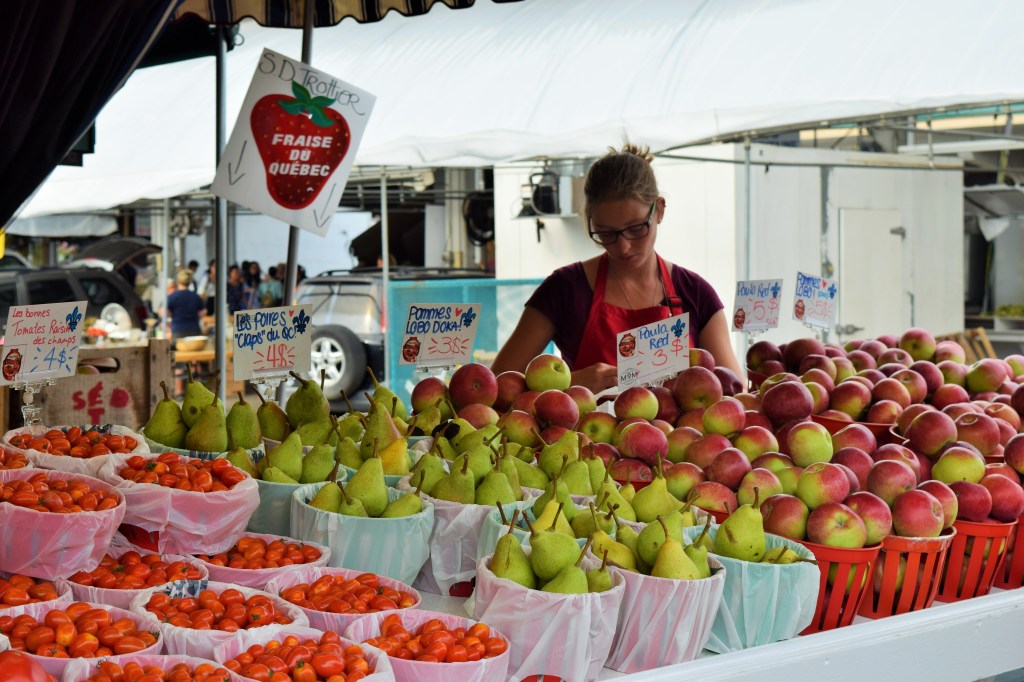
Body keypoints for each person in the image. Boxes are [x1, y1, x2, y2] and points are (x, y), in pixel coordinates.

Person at [491, 143, 741, 393]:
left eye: (636, 228)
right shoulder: (564, 290)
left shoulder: (696, 294)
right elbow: (497, 387)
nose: (624, 247)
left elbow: (735, 393)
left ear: (659, 210)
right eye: (606, 233)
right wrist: (570, 385)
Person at [166, 269, 205, 339]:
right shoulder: (196, 297)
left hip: (178, 332)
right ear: (190, 282)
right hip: (194, 332)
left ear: (178, 281)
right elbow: (201, 313)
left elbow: (166, 313)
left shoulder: (172, 297)